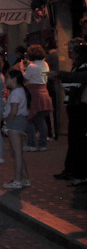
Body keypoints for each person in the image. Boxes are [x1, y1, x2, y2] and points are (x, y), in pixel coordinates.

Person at [55, 44, 87, 185]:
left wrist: (61, 76)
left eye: (73, 51)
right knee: (73, 140)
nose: (70, 52)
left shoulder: (83, 68)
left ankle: (76, 173)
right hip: (74, 105)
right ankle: (71, 171)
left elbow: (75, 80)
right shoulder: (77, 67)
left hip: (80, 107)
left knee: (77, 140)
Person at [2, 70, 32, 189]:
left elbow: (13, 111)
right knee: (16, 152)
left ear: (14, 79)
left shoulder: (15, 93)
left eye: (7, 78)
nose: (5, 80)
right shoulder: (20, 90)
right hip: (19, 120)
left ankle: (18, 180)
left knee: (17, 152)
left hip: (15, 121)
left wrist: (6, 122)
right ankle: (25, 178)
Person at [22, 44, 53, 152]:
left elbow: (25, 77)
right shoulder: (45, 64)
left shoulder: (32, 66)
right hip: (44, 92)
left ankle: (31, 143)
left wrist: (22, 69)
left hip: (34, 93)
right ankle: (42, 144)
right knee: (41, 120)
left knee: (29, 119)